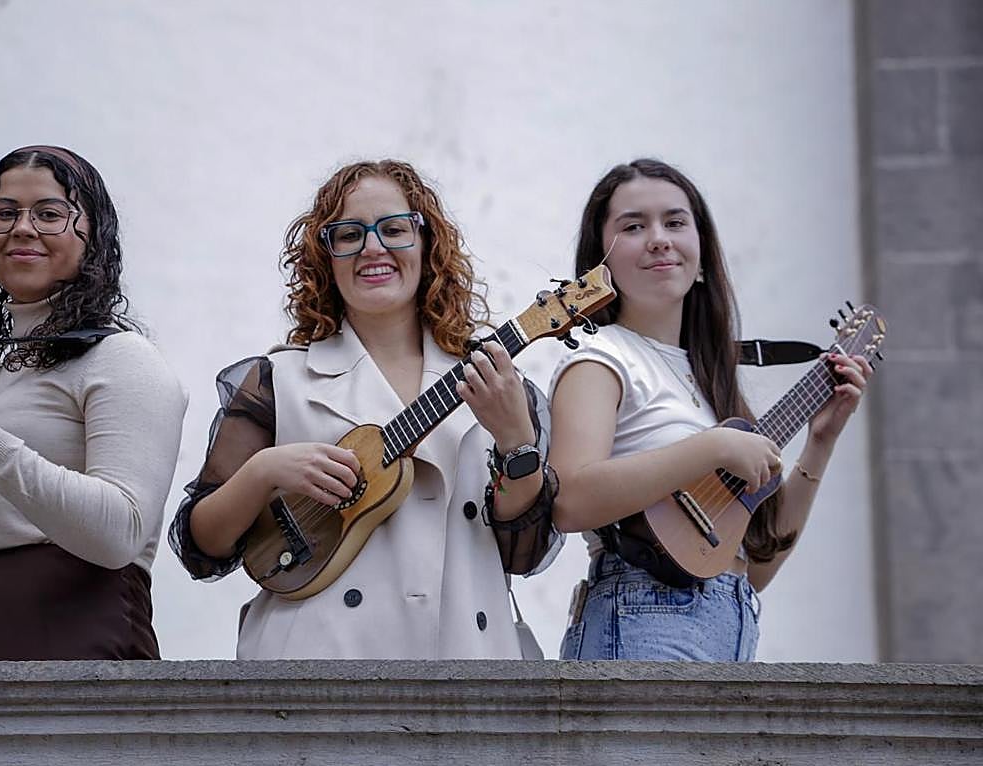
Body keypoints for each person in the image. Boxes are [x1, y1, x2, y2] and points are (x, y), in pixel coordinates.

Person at [169, 159, 562, 659]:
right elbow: (203, 546)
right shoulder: (278, 381)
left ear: (426, 244)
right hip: (316, 665)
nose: (373, 248)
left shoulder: (496, 385)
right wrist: (263, 471)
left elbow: (523, 553)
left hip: (466, 662)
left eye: (394, 230)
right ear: (325, 257)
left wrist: (516, 442)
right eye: (350, 235)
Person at [548, 159, 872, 662]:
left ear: (701, 254)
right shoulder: (600, 358)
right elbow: (568, 500)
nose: (659, 239)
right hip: (641, 617)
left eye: (675, 222)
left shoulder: (710, 380)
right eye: (633, 226)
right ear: (601, 263)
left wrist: (820, 442)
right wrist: (713, 447)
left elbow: (756, 567)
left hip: (731, 621)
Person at [0, 145, 187, 661]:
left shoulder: (122, 358)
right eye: (6, 212)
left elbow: (118, 534)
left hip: (86, 637)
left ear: (94, 236)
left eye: (49, 213)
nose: (22, 228)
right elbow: (14, 533)